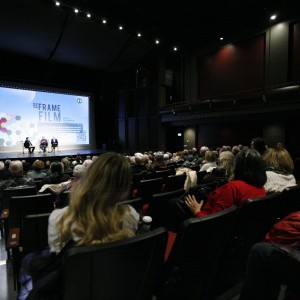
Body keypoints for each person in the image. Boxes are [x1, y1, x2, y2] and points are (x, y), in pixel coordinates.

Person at [18, 152, 139, 299]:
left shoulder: (60, 217)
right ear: (125, 184)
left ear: (90, 177)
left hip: (72, 288)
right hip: (111, 285)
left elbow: (59, 258)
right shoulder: (131, 215)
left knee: (28, 261)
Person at [185, 148, 267, 218]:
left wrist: (197, 212)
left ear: (238, 166)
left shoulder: (233, 188)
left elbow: (215, 222)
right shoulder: (261, 189)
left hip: (205, 225)